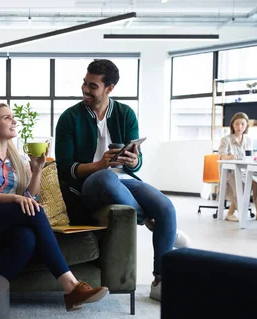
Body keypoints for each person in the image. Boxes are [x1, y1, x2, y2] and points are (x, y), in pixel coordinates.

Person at [0, 102, 109, 312]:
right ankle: (71, 285)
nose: (14, 121)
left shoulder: (19, 159)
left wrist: (38, 170)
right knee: (32, 209)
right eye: (7, 117)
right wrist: (16, 200)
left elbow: (27, 197)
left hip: (0, 219)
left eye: (12, 117)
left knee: (27, 238)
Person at [55, 59, 189, 302]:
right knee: (106, 177)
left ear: (110, 88)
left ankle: (160, 280)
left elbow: (137, 162)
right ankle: (147, 219)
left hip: (124, 180)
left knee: (167, 207)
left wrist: (132, 160)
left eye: (92, 86)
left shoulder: (125, 113)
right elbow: (64, 168)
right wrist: (99, 165)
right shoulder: (69, 118)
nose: (85, 89)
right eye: (84, 83)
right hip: (89, 184)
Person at [218, 112, 257, 222]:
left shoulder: (249, 140)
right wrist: (229, 157)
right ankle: (232, 213)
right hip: (229, 172)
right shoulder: (226, 139)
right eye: (237, 124)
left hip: (244, 171)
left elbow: (249, 157)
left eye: (242, 124)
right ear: (232, 125)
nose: (239, 127)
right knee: (242, 185)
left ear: (246, 125)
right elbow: (221, 155)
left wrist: (256, 156)